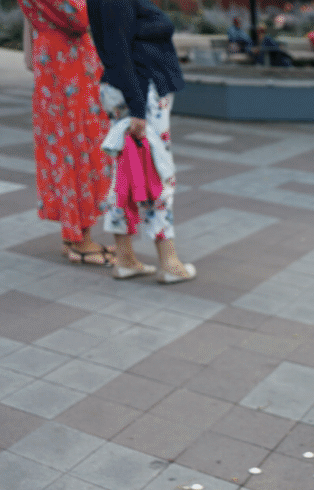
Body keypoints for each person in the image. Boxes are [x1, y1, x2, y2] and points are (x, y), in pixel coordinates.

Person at [86, 0, 195, 284]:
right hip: (140, 93)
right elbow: (117, 48)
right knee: (158, 174)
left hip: (135, 90)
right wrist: (137, 108)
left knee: (128, 174)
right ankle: (168, 261)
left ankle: (125, 258)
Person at [19, 0, 113, 266]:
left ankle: (72, 236)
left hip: (50, 59)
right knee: (78, 146)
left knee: (63, 146)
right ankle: (80, 242)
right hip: (68, 64)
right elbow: (80, 16)